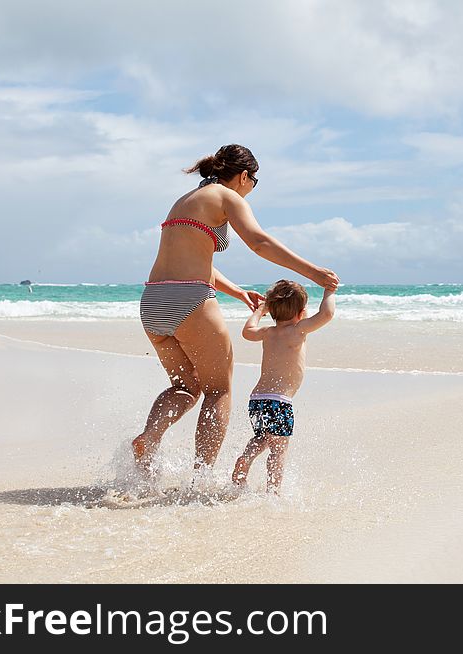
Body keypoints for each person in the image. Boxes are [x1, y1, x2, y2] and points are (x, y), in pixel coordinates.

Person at [132, 145, 339, 478]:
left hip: (153, 301)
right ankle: (201, 478)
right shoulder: (227, 197)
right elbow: (259, 242)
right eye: (253, 182)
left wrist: (239, 292)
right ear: (244, 176)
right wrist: (313, 273)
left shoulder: (186, 201)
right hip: (190, 300)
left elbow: (199, 263)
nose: (251, 190)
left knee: (185, 386)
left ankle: (150, 437)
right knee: (218, 390)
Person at [232, 280, 336, 493]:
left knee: (262, 437)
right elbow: (327, 314)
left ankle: (246, 458)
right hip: (279, 401)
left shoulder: (268, 332)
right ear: (301, 312)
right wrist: (329, 291)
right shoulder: (298, 331)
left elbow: (247, 331)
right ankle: (274, 490)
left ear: (272, 311)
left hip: (257, 399)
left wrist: (261, 309)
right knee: (279, 449)